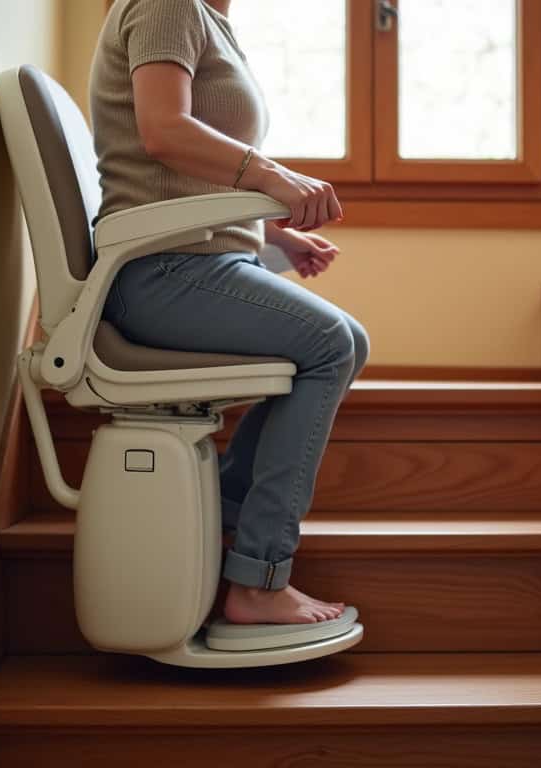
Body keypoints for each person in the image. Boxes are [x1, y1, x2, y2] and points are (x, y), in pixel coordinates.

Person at [90, 0, 367, 626]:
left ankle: (225, 512)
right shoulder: (168, 4)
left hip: (195, 260)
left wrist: (274, 236)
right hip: (160, 271)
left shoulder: (207, 19)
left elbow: (183, 176)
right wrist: (274, 179)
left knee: (348, 339)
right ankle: (259, 580)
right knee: (330, 342)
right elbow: (163, 131)